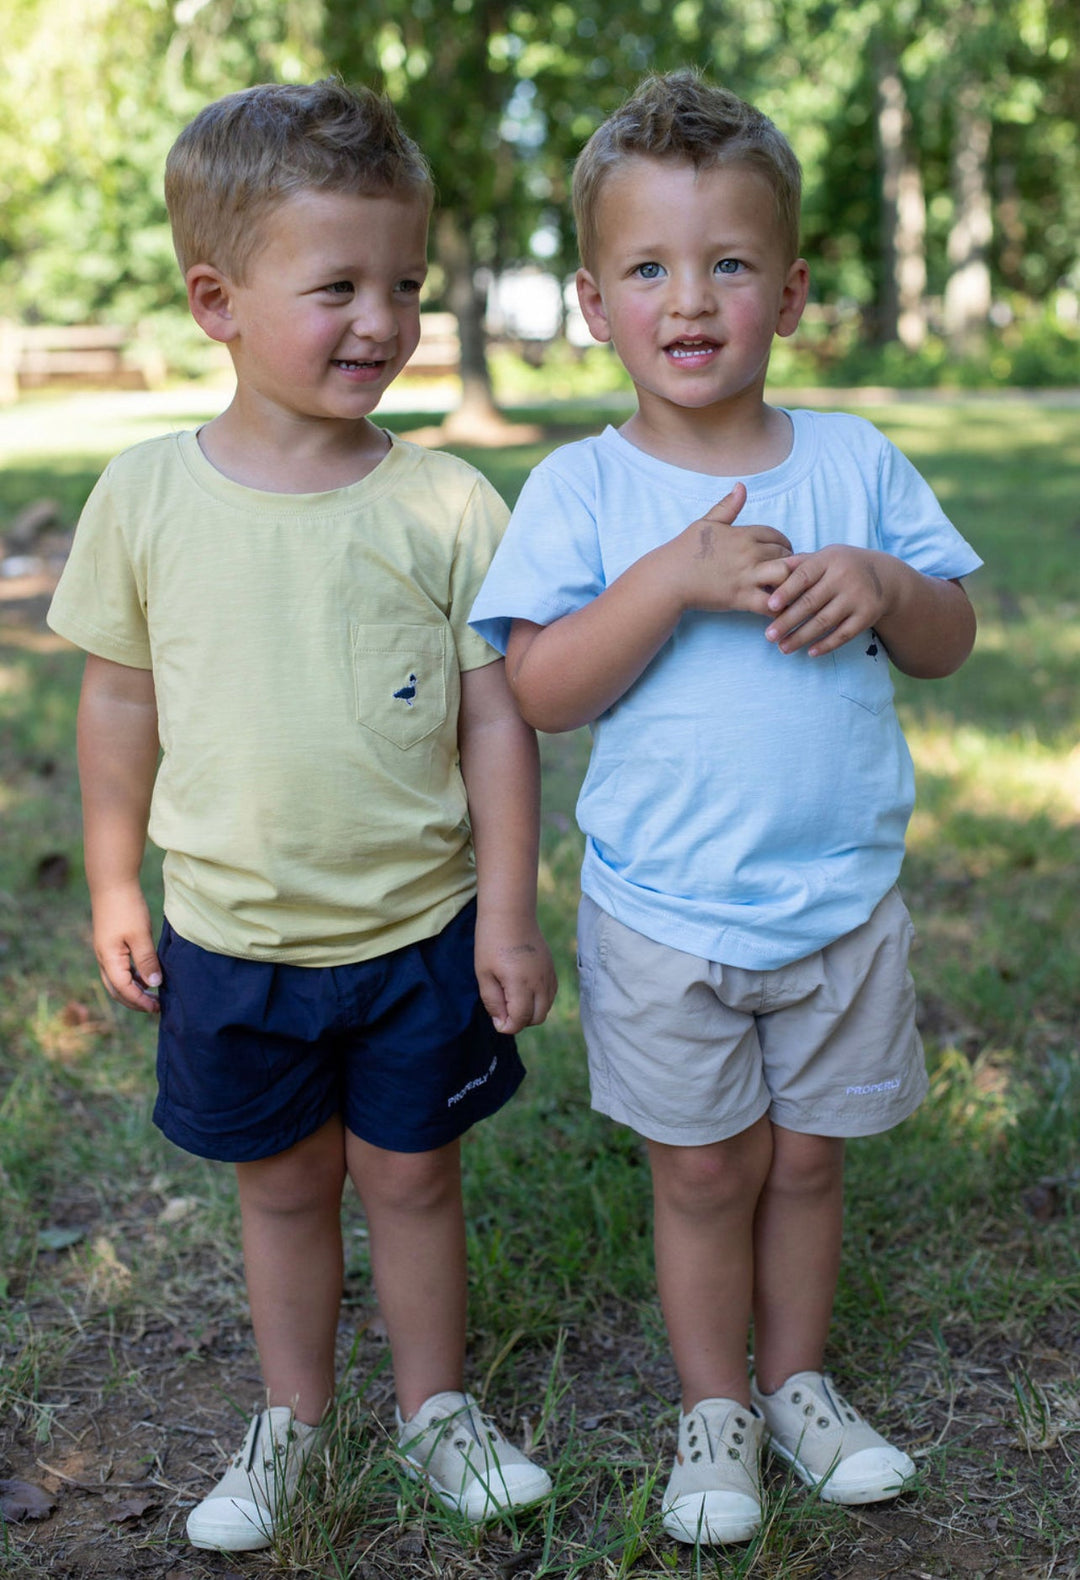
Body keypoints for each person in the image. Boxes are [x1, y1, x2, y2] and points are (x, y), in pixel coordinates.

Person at [470, 70, 980, 1546]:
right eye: (648, 267)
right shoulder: (582, 490)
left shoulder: (854, 462)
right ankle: (714, 1408)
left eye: (730, 263)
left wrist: (884, 583)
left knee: (808, 1158)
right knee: (704, 1170)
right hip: (663, 910)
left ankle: (800, 1381)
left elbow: (947, 641)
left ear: (793, 290)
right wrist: (671, 581)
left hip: (839, 902)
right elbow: (544, 688)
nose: (689, 299)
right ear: (591, 302)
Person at [47, 78, 557, 1554]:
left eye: (402, 284)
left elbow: (496, 716)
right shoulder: (145, 499)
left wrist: (510, 912)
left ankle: (435, 1407)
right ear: (217, 299)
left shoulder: (447, 501)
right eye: (337, 286)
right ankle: (294, 1416)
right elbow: (119, 705)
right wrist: (112, 886)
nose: (382, 322)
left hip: (417, 930)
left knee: (413, 1178)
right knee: (282, 1191)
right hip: (234, 935)